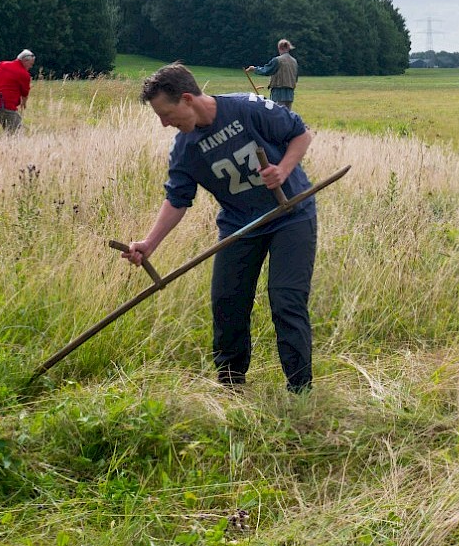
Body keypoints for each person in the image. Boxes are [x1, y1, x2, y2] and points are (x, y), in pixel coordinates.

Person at [124, 63, 317, 393]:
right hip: (240, 225)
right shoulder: (185, 149)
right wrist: (150, 243)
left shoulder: (247, 108)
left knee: (285, 300)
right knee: (228, 302)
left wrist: (283, 170)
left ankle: (300, 392)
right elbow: (178, 199)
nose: (164, 123)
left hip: (290, 215)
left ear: (187, 99)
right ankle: (232, 387)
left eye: (166, 113)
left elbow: (300, 134)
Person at [0, 49, 35, 133]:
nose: (31, 67)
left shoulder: (3, 65)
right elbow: (25, 93)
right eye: (30, 64)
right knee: (17, 132)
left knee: (9, 129)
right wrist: (24, 103)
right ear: (25, 60)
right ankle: (14, 145)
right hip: (5, 106)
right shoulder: (24, 74)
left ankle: (8, 144)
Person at [245, 39, 298, 110]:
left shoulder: (277, 60)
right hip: (290, 94)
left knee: (277, 115)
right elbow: (295, 78)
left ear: (279, 48)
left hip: (278, 94)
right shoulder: (294, 61)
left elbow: (266, 71)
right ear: (288, 48)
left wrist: (254, 69)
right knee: (286, 116)